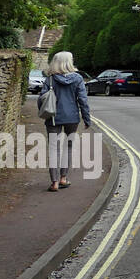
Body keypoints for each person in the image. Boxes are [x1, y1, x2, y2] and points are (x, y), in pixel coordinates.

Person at [43, 51, 92, 193]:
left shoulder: (50, 79)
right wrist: (86, 119)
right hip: (72, 118)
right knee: (68, 147)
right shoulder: (78, 79)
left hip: (53, 117)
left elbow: (42, 99)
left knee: (54, 149)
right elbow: (83, 100)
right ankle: (64, 178)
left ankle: (54, 183)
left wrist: (44, 113)